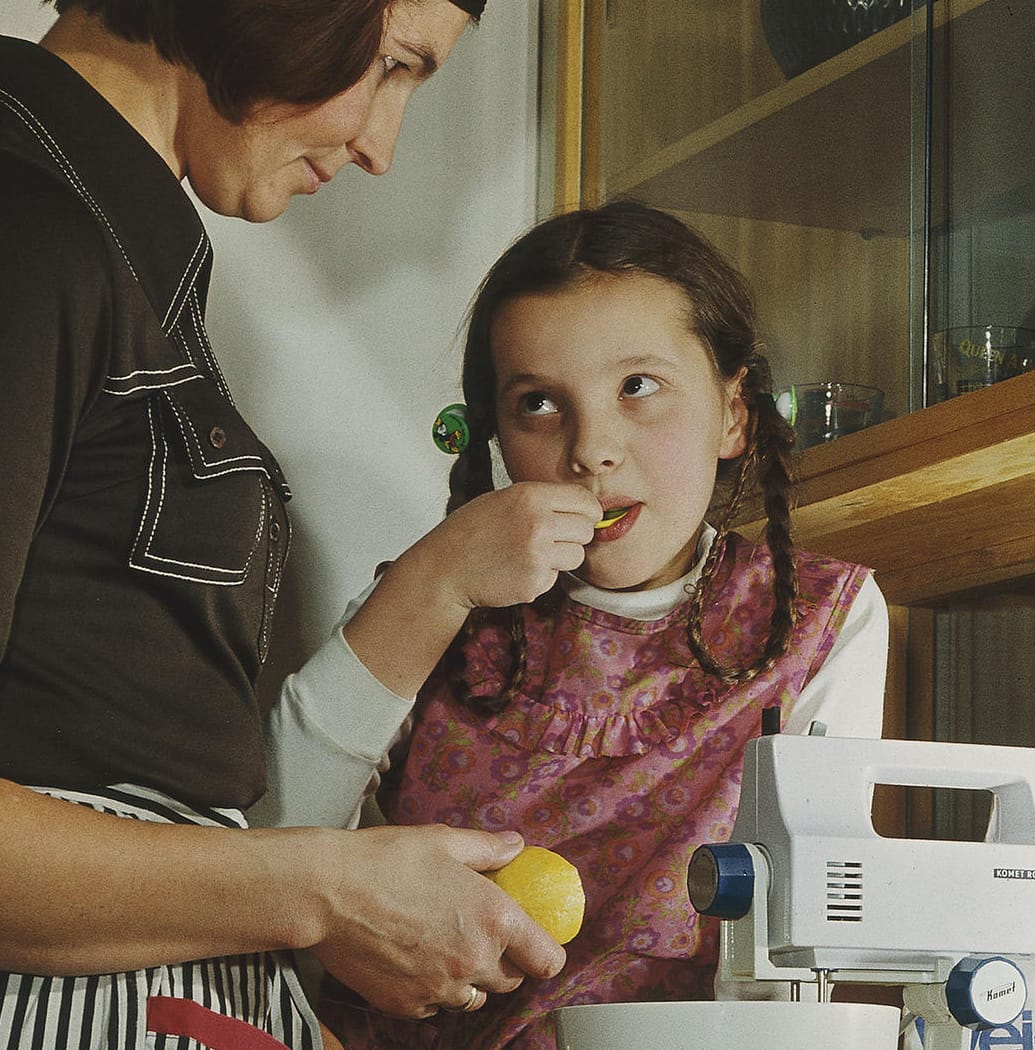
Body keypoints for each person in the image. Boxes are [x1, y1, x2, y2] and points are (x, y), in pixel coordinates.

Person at [0, 2, 572, 1047]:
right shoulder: (24, 224)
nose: (381, 149)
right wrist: (324, 889)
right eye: (394, 67)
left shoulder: (110, 243)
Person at [262, 200, 890, 1049]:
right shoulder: (431, 602)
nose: (592, 448)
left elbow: (815, 937)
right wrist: (437, 578)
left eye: (639, 387)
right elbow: (268, 852)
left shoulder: (819, 618)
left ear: (734, 413)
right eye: (538, 404)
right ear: (498, 439)